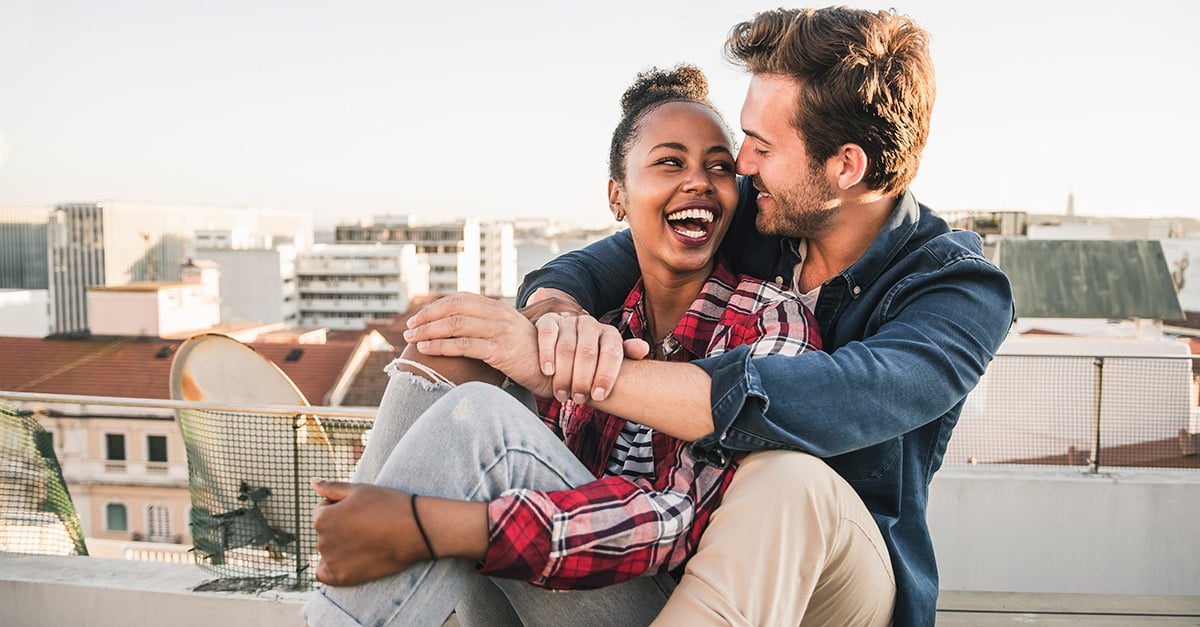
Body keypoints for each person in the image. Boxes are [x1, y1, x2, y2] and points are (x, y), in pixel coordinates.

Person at [410, 7, 1014, 626]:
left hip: (834, 582)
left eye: (762, 145)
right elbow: (600, 263)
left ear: (846, 166)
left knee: (788, 478)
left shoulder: (958, 292)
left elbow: (818, 399)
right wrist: (554, 318)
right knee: (454, 352)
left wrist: (577, 374)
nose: (743, 163)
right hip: (682, 541)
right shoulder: (759, 206)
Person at [302, 65, 821, 626]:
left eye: (719, 167)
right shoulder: (588, 324)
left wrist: (433, 522)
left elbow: (678, 523)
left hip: (672, 605)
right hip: (541, 593)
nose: (698, 180)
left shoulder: (771, 319)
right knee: (452, 345)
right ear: (616, 197)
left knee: (481, 424)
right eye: (670, 161)